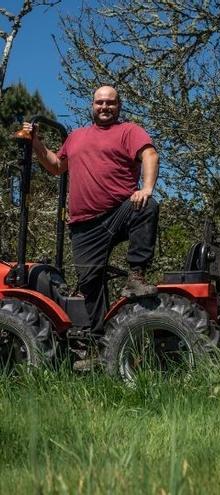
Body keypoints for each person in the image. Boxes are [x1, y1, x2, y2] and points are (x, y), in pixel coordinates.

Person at [26, 85, 160, 331]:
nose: (105, 107)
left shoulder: (129, 131)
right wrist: (36, 143)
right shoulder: (76, 136)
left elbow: (150, 155)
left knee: (146, 205)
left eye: (110, 102)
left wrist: (147, 187)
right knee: (90, 285)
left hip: (118, 212)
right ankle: (98, 342)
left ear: (118, 106)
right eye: (100, 102)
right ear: (92, 105)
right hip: (84, 225)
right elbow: (56, 166)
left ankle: (136, 277)